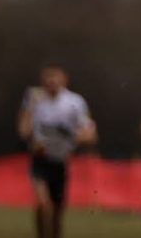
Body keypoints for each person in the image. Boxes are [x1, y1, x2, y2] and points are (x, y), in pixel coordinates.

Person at [18, 65, 96, 238]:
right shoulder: (34, 99)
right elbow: (23, 131)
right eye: (48, 78)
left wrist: (73, 138)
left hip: (60, 162)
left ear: (64, 80)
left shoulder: (74, 102)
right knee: (42, 204)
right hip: (39, 160)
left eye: (55, 78)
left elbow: (90, 133)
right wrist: (29, 111)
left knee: (57, 211)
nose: (51, 82)